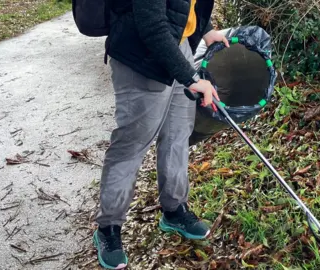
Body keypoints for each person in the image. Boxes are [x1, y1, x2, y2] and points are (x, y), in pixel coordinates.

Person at [92, 0, 229, 269]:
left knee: (178, 134)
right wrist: (191, 78)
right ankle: (108, 228)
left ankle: (174, 210)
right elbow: (151, 23)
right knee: (131, 144)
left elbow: (184, 5)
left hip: (178, 46)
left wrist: (206, 30)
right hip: (140, 54)